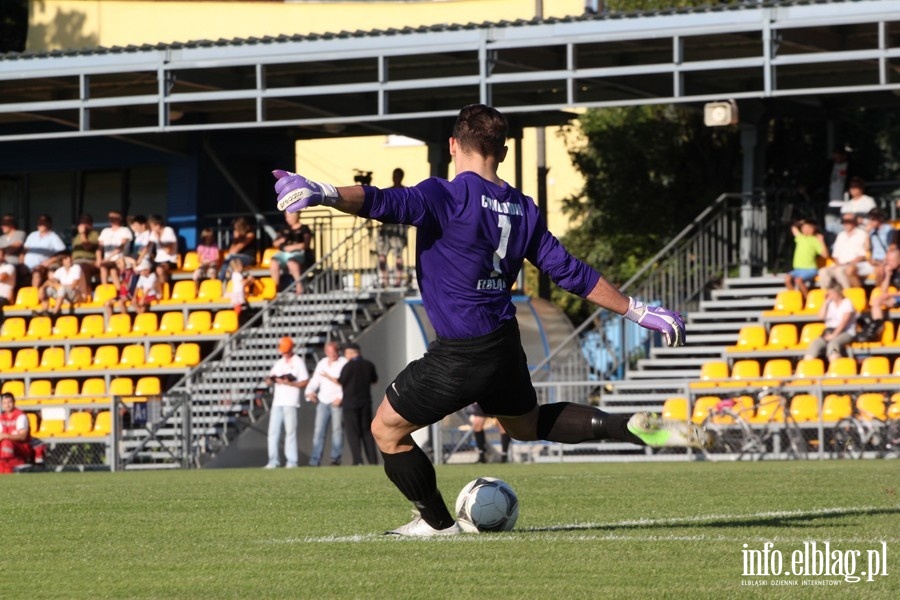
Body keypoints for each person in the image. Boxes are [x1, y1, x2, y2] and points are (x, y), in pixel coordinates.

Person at [273, 104, 705, 536]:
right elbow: (570, 272)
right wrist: (636, 309)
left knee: (385, 430)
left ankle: (437, 523)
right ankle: (626, 426)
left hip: (462, 348)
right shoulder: (524, 207)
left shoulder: (446, 194)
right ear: (501, 149)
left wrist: (323, 191)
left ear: (453, 145)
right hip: (502, 341)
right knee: (525, 424)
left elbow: (383, 201)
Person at [263, 336, 309, 469]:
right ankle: (273, 461)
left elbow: (305, 381)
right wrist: (271, 380)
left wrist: (290, 383)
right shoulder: (280, 362)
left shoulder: (298, 362)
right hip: (277, 401)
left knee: (290, 431)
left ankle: (292, 461)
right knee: (273, 432)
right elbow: (269, 379)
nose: (284, 353)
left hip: (290, 401)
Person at [304, 340, 347, 467]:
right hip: (323, 401)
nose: (332, 354)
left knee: (337, 431)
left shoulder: (343, 362)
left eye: (334, 351)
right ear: (326, 352)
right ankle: (315, 459)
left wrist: (341, 397)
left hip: (336, 402)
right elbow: (315, 380)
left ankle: (335, 458)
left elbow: (347, 382)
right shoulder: (322, 363)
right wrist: (309, 392)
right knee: (319, 431)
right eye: (330, 352)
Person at [337, 342, 379, 466]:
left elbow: (341, 381)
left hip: (350, 403)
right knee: (366, 431)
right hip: (365, 402)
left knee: (353, 432)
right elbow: (374, 380)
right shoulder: (369, 365)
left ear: (350, 353)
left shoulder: (347, 367)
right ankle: (372, 460)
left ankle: (358, 460)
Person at [804, 282, 858, 363]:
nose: (829, 295)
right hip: (830, 331)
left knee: (833, 344)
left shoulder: (847, 303)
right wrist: (825, 302)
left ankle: (834, 363)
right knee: (815, 343)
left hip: (845, 332)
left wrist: (834, 335)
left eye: (831, 293)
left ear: (837, 292)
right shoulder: (830, 303)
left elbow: (844, 322)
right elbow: (821, 317)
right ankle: (808, 364)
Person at [375, 167, 409, 288]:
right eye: (394, 175)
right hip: (386, 228)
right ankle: (385, 280)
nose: (396, 178)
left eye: (398, 175)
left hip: (398, 228)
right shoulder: (388, 192)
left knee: (398, 255)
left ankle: (398, 280)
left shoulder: (406, 192)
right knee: (382, 255)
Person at [817, 214, 870, 290]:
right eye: (844, 222)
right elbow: (835, 254)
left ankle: (847, 293)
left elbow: (863, 255)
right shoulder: (840, 235)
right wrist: (838, 264)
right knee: (823, 271)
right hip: (840, 264)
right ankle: (827, 295)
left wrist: (848, 264)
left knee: (840, 271)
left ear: (854, 222)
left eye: (849, 221)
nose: (846, 224)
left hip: (855, 264)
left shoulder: (861, 234)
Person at [269, 210, 313, 294]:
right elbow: (275, 243)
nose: (286, 219)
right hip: (283, 253)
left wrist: (292, 247)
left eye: (288, 216)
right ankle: (275, 287)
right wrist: (280, 241)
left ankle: (299, 286)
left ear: (295, 216)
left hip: (298, 253)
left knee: (291, 262)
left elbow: (305, 245)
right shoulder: (284, 228)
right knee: (274, 262)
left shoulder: (304, 228)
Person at [784, 219, 827, 299]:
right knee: (787, 279)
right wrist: (801, 222)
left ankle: (807, 299)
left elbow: (825, 255)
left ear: (813, 229)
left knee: (798, 280)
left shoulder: (815, 240)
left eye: (808, 227)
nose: (805, 229)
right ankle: (795, 298)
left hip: (810, 269)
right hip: (798, 269)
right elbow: (793, 227)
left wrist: (821, 241)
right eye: (803, 227)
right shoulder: (800, 238)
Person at [23, 214, 66, 288]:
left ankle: (34, 295)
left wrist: (48, 261)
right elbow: (23, 251)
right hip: (25, 266)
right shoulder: (32, 235)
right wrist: (21, 264)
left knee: (37, 272)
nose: (40, 225)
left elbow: (62, 253)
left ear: (49, 224)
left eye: (43, 223)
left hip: (40, 266)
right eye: (39, 223)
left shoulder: (53, 237)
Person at [866, 247, 900, 340]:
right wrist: (887, 275)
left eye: (892, 261)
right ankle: (878, 323)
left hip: (896, 297)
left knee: (882, 299)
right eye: (888, 260)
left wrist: (890, 295)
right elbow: (883, 290)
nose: (889, 263)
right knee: (877, 300)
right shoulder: (891, 271)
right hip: (894, 298)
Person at [97, 210, 134, 290]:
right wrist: (99, 259)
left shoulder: (125, 230)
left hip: (119, 258)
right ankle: (105, 288)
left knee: (113, 271)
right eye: (110, 218)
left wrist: (108, 258)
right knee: (103, 267)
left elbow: (121, 246)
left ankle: (119, 291)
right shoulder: (105, 231)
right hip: (107, 260)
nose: (112, 219)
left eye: (114, 217)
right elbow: (99, 247)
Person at [0, 392, 33, 474]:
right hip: (6, 450)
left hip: (20, 447)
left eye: (9, 402)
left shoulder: (20, 416)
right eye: (4, 403)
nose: (7, 405)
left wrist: (5, 436)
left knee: (6, 443)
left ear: (14, 402)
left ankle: (11, 467)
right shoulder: (1, 417)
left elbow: (23, 436)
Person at [218, 216, 257, 282]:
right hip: (236, 259)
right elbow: (231, 251)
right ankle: (224, 281)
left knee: (229, 258)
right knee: (230, 264)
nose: (235, 230)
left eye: (236, 228)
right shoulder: (237, 238)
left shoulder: (250, 235)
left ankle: (220, 280)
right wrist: (235, 240)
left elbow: (236, 250)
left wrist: (237, 239)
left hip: (249, 258)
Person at [865, 208, 897, 287]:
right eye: (870, 219)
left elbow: (892, 248)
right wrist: (867, 234)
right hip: (875, 260)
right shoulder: (872, 231)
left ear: (879, 219)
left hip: (886, 260)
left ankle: (880, 293)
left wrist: (883, 262)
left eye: (873, 219)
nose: (871, 222)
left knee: (879, 271)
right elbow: (867, 248)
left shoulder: (889, 230)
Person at [147, 214, 179, 285]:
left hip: (170, 260)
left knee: (160, 269)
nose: (151, 229)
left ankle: (163, 290)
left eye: (152, 226)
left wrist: (159, 240)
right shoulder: (153, 233)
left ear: (158, 225)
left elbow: (168, 250)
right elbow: (148, 247)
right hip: (157, 260)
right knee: (144, 270)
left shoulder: (168, 231)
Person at [71, 214, 100, 289]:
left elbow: (87, 247)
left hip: (88, 261)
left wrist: (82, 233)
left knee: (83, 267)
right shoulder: (77, 236)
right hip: (75, 261)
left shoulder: (94, 234)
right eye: (81, 223)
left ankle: (87, 290)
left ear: (90, 225)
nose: (83, 225)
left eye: (85, 223)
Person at [0, 214, 26, 285]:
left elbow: (14, 247)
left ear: (11, 224)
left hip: (12, 264)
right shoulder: (2, 238)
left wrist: (2, 251)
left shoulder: (20, 233)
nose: (1, 227)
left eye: (4, 224)